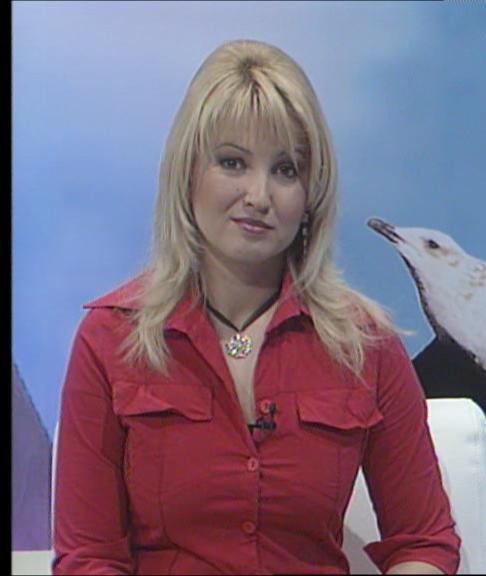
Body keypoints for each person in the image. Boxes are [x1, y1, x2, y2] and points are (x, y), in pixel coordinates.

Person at [53, 39, 461, 575]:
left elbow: (424, 541)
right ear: (188, 173)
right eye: (233, 163)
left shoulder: (366, 345)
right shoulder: (110, 339)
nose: (258, 195)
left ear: (311, 194)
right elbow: (88, 557)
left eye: (285, 170)